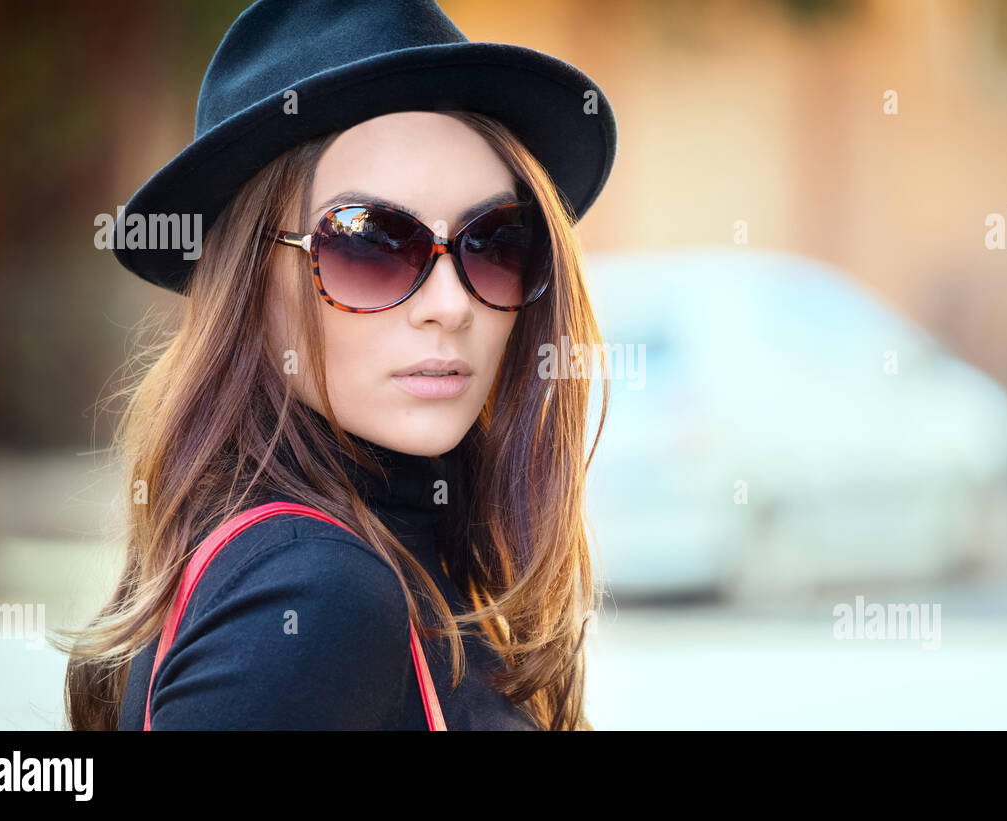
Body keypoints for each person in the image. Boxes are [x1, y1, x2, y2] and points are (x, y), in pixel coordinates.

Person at [59, 0, 617, 730]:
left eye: (494, 242)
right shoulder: (315, 597)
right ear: (252, 283)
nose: (450, 305)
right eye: (372, 243)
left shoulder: (399, 559)